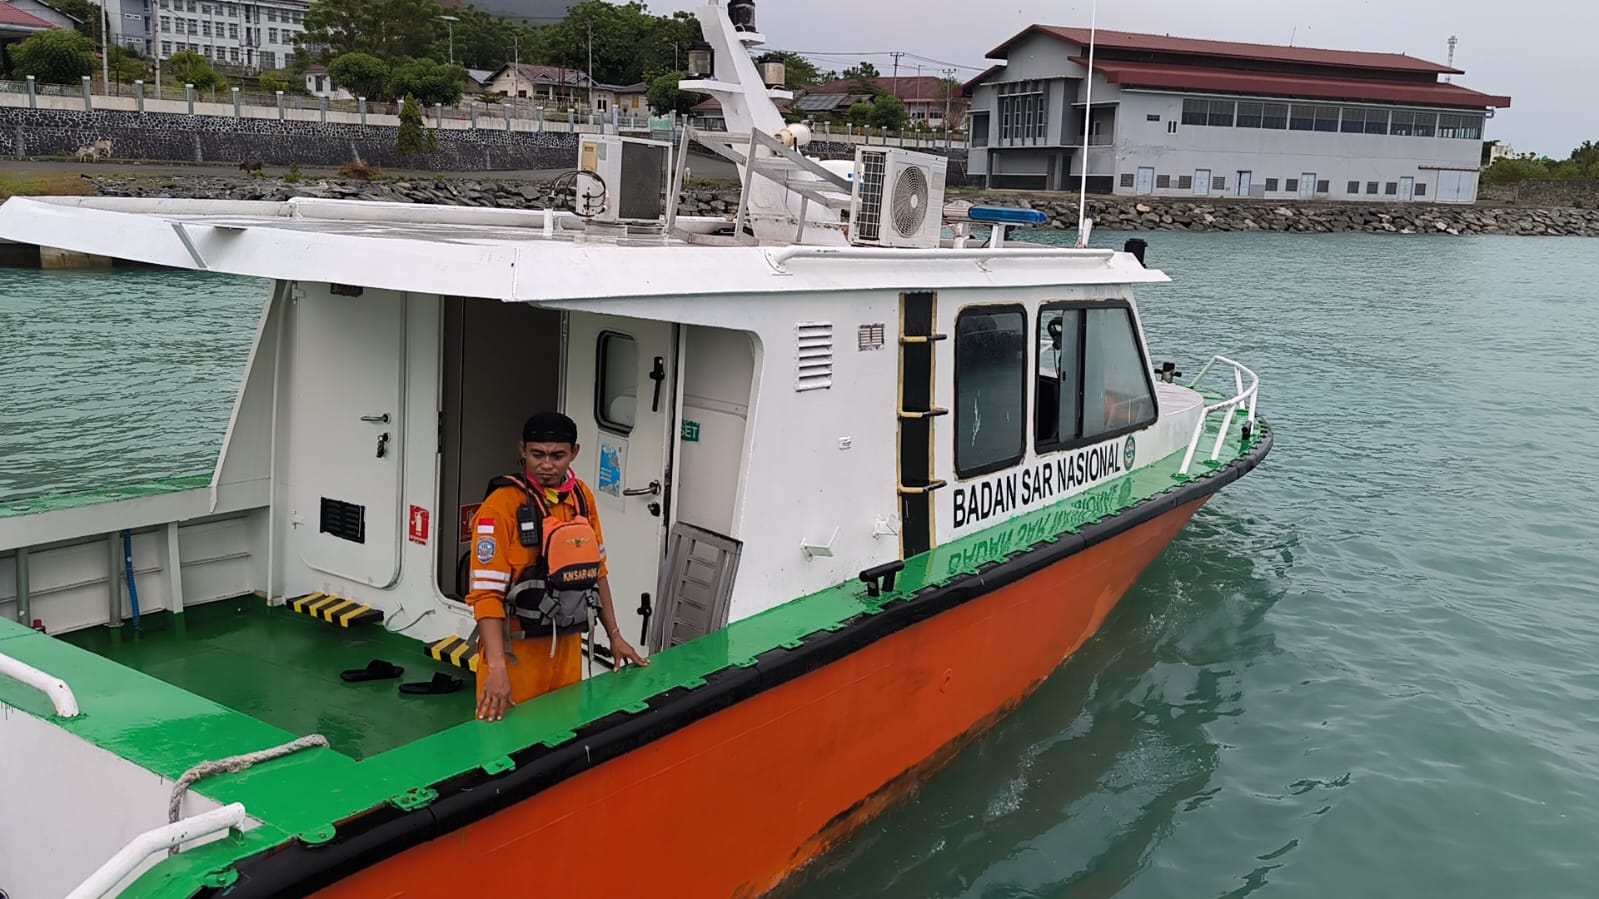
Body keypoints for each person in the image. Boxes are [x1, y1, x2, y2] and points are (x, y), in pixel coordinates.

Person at [466, 411, 648, 723]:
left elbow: (597, 573)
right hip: (516, 655)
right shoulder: (499, 508)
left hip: (566, 649)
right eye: (537, 454)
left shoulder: (581, 498)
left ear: (574, 453)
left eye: (557, 455)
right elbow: (486, 596)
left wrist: (615, 635)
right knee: (505, 747)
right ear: (522, 450)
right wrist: (497, 667)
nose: (547, 465)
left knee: (562, 734)